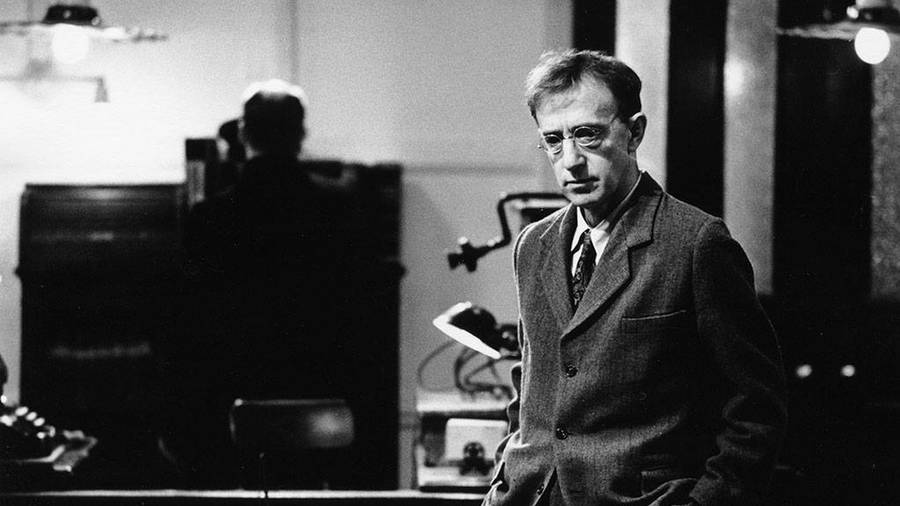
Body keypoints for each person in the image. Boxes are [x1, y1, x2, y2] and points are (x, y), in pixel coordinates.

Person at [483, 50, 787, 506]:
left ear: (635, 132)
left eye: (587, 134)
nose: (571, 160)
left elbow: (756, 411)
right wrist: (500, 485)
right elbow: (529, 389)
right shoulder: (533, 245)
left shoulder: (695, 243)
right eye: (553, 140)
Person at [158, 79, 360, 487]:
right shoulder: (336, 209)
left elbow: (186, 326)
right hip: (316, 398)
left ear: (243, 134)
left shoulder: (209, 217)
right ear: (301, 136)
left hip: (230, 401)